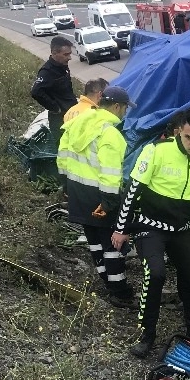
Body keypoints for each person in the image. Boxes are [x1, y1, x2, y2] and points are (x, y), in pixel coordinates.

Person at [111, 108, 190, 358]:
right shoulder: (156, 151)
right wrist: (121, 228)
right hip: (150, 227)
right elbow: (132, 190)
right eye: (188, 137)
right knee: (156, 274)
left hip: (180, 231)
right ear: (180, 131)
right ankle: (146, 334)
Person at [57, 85, 136, 308]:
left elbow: (62, 157)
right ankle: (120, 292)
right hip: (100, 196)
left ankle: (106, 280)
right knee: (112, 245)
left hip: (76, 191)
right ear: (117, 107)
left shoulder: (76, 122)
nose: (124, 114)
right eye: (124, 109)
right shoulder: (110, 133)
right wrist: (109, 202)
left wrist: (66, 186)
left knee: (94, 241)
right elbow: (110, 173)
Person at [31, 35, 76, 142]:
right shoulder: (47, 72)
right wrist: (55, 108)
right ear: (54, 53)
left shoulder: (63, 66)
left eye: (70, 54)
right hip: (60, 120)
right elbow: (36, 91)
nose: (69, 58)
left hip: (71, 114)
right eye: (66, 54)